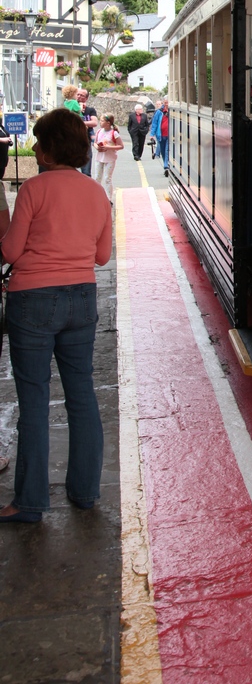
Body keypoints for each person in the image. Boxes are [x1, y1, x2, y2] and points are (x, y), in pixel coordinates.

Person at [0, 108, 112, 523]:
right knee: (81, 395)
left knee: (34, 401)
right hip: (82, 298)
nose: (31, 147)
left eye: (36, 142)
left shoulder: (33, 189)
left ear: (47, 151)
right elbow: (102, 256)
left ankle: (29, 503)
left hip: (32, 301)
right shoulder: (96, 193)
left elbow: (10, 252)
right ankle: (84, 493)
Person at [94, 114, 124, 202]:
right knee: (97, 178)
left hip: (110, 158)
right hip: (99, 157)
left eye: (102, 121)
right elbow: (95, 142)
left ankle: (108, 198)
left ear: (108, 123)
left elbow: (121, 146)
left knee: (107, 178)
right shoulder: (99, 131)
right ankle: (97, 196)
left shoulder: (114, 133)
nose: (100, 122)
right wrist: (97, 147)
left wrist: (108, 147)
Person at [76, 88, 98, 178]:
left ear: (87, 98)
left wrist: (79, 123)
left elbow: (94, 123)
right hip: (71, 141)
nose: (79, 97)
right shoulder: (70, 107)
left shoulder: (90, 110)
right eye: (78, 94)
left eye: (82, 95)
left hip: (85, 141)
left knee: (86, 171)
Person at [150, 98, 169, 176]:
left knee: (167, 150)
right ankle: (166, 164)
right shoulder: (159, 112)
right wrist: (152, 135)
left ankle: (166, 166)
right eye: (165, 102)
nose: (166, 103)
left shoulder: (172, 112)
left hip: (169, 135)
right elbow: (154, 124)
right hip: (160, 135)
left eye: (167, 102)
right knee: (163, 151)